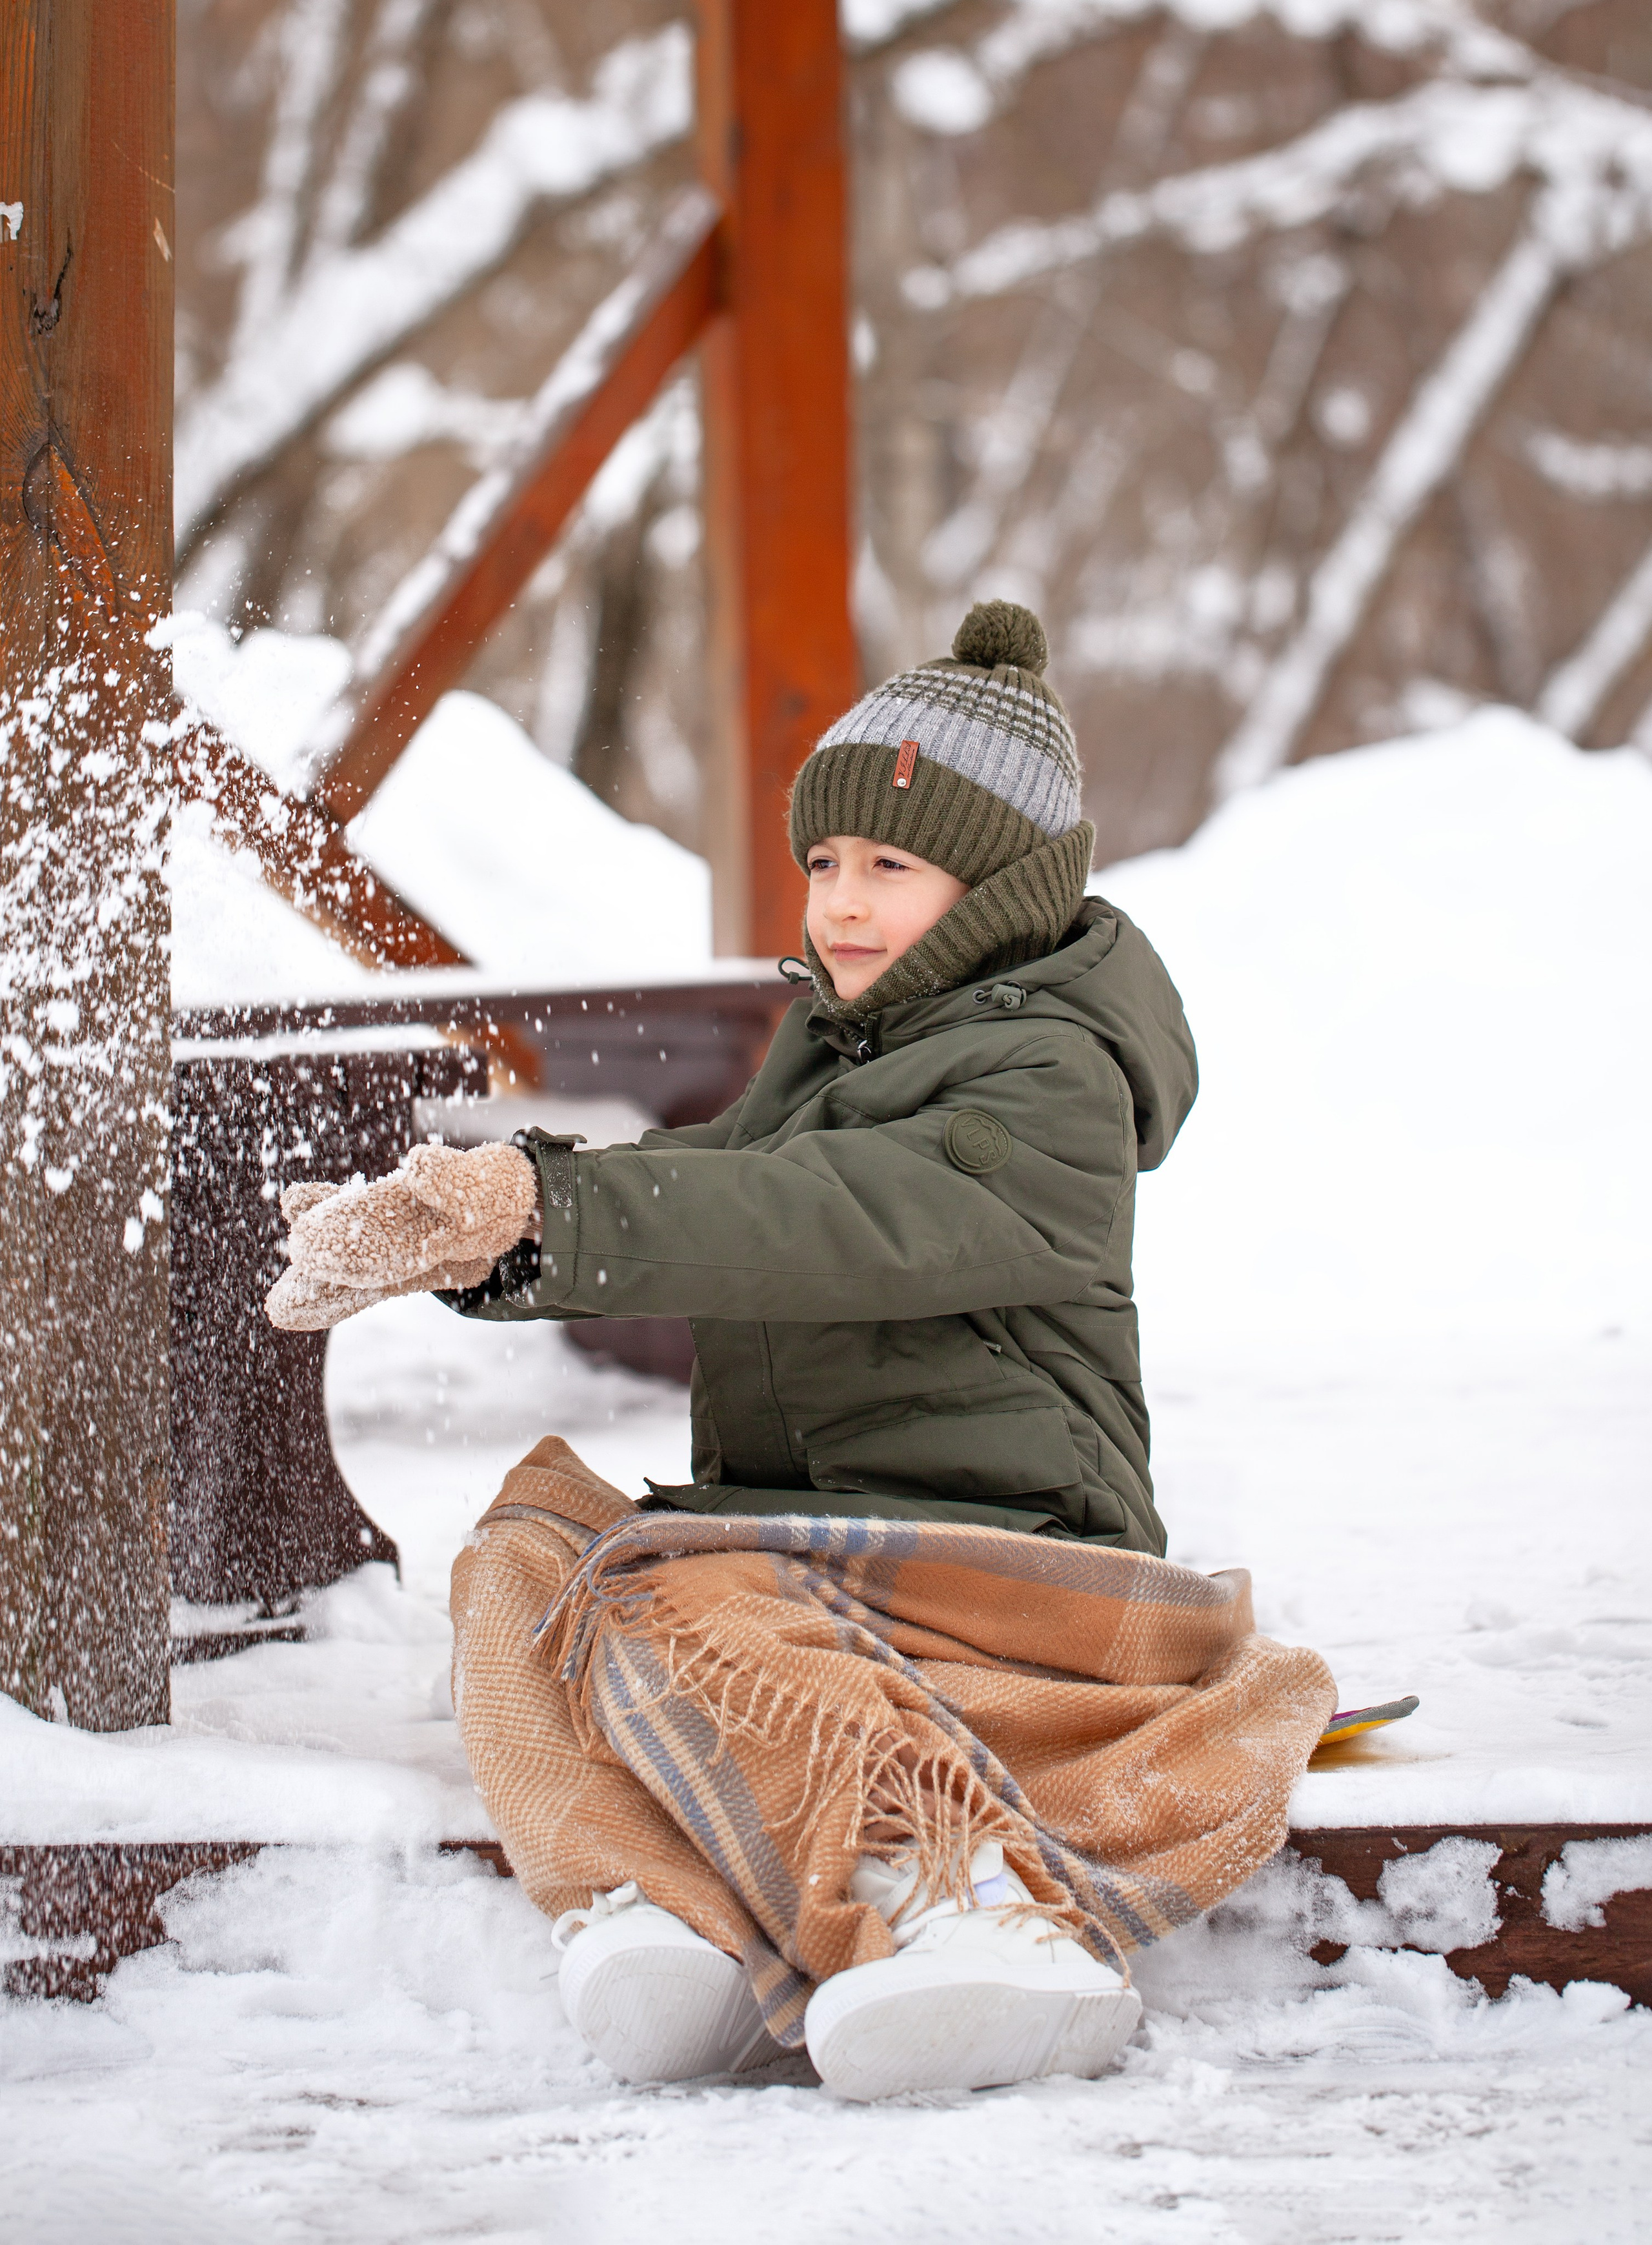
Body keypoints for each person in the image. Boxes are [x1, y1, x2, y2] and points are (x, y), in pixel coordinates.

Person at [269, 601, 1335, 2101]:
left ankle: (973, 1908)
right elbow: (721, 1191)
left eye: (889, 866)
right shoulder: (845, 1044)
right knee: (522, 1555)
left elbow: (814, 1217)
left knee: (674, 1592)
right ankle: (662, 1911)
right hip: (828, 1545)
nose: (838, 900)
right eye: (824, 860)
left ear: (999, 885)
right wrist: (484, 1231)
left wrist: (543, 1207)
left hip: (1014, 1560)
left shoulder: (1049, 1078)